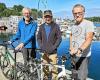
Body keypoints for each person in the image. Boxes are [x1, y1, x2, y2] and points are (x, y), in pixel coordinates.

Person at [70, 4, 94, 80]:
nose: (77, 15)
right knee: (74, 75)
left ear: (84, 13)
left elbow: (89, 38)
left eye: (79, 13)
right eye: (75, 13)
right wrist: (71, 47)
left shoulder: (89, 23)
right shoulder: (73, 25)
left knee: (81, 77)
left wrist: (80, 49)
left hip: (83, 56)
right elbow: (71, 35)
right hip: (73, 55)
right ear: (73, 14)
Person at [37, 10, 62, 79]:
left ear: (51, 17)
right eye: (46, 17)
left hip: (53, 53)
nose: (47, 18)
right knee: (45, 70)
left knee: (54, 70)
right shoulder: (41, 26)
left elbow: (59, 38)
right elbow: (38, 38)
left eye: (49, 17)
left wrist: (54, 47)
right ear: (44, 17)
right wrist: (41, 46)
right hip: (43, 52)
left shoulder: (56, 26)